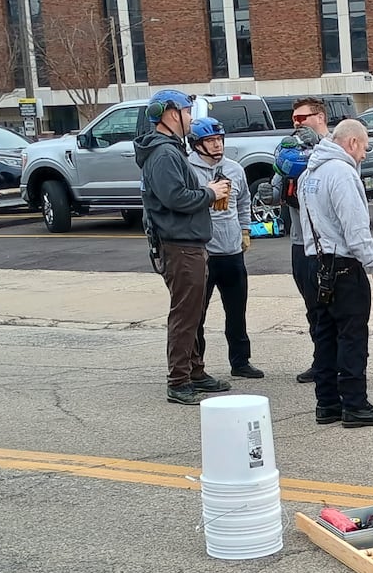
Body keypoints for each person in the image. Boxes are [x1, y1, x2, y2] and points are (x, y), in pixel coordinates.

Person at [136, 89, 233, 406]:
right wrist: (209, 191)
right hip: (179, 245)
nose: (192, 117)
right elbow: (175, 198)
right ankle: (178, 381)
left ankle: (195, 372)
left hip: (187, 243)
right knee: (185, 314)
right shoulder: (164, 155)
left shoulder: (170, 151)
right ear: (170, 114)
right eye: (188, 111)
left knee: (192, 313)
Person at [299, 119, 373, 427]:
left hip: (315, 262)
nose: (364, 155)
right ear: (351, 143)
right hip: (344, 266)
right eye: (364, 147)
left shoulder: (309, 174)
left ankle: (327, 403)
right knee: (351, 336)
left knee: (324, 335)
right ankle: (354, 404)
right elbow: (356, 228)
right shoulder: (342, 174)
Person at [185, 117, 262, 379]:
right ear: (196, 144)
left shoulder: (234, 169)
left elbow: (243, 201)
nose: (217, 145)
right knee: (197, 316)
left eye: (219, 140)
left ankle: (240, 362)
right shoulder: (187, 170)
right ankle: (197, 366)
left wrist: (245, 230)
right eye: (210, 141)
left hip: (231, 252)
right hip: (203, 254)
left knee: (236, 312)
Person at [277, 99, 330, 384]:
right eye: (294, 119)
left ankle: (333, 361)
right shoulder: (292, 148)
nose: (296, 124)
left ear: (319, 117)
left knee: (329, 308)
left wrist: (317, 148)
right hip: (299, 242)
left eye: (302, 118)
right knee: (312, 306)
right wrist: (273, 189)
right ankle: (320, 359)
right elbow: (281, 185)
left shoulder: (335, 146)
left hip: (324, 244)